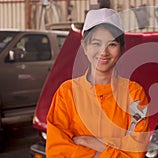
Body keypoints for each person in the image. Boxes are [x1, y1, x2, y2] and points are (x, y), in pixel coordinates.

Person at [46, 8, 150, 158]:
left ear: (122, 48)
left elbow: (138, 150)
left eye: (112, 44)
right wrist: (111, 150)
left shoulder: (134, 93)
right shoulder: (67, 92)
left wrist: (88, 142)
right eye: (96, 43)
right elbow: (56, 151)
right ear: (84, 46)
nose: (104, 52)